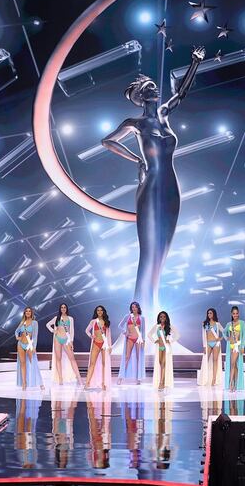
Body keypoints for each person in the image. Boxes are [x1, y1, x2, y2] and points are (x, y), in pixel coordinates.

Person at [101, 47, 206, 311]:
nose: (155, 89)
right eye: (149, 87)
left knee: (162, 252)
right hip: (150, 186)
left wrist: (195, 62)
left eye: (154, 86)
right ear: (140, 96)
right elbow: (107, 141)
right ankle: (138, 315)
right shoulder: (134, 123)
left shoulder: (164, 115)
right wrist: (136, 160)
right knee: (148, 253)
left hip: (172, 186)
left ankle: (155, 313)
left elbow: (181, 93)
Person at [45, 302, 82, 385]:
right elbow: (47, 325)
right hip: (57, 339)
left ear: (66, 309)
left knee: (72, 358)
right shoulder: (56, 318)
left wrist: (71, 341)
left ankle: (79, 378)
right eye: (61, 307)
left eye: (64, 307)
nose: (63, 309)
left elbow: (71, 330)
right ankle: (60, 379)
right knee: (58, 359)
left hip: (67, 339)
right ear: (60, 309)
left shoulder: (70, 318)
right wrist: (53, 330)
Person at [15, 307, 44, 391]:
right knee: (22, 364)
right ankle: (24, 383)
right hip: (20, 344)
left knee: (33, 363)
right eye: (26, 311)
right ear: (24, 313)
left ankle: (41, 383)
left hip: (29, 344)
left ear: (31, 313)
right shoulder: (22, 322)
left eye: (29, 311)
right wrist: (17, 337)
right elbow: (16, 331)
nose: (28, 312)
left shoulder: (34, 323)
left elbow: (35, 336)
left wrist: (34, 347)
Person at [148, 311, 179, 390]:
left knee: (163, 364)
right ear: (159, 318)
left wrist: (170, 341)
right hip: (159, 347)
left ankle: (161, 383)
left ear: (166, 318)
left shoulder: (169, 326)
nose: (162, 318)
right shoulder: (157, 326)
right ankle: (162, 381)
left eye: (164, 317)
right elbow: (149, 334)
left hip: (166, 347)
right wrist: (155, 340)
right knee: (160, 364)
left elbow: (178, 335)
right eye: (161, 317)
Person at [84, 305, 112, 391]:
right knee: (92, 364)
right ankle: (87, 383)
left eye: (101, 310)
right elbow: (87, 330)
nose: (99, 312)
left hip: (104, 344)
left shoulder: (106, 322)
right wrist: (91, 336)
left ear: (103, 312)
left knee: (104, 364)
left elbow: (108, 335)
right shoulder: (93, 321)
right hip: (96, 343)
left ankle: (104, 383)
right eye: (98, 310)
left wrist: (110, 346)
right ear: (96, 312)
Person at [117, 302, 145, 385]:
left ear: (138, 308)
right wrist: (125, 333)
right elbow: (120, 326)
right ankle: (120, 378)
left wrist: (144, 340)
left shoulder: (142, 318)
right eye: (132, 307)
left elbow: (143, 330)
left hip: (138, 339)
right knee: (127, 357)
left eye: (135, 307)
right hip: (130, 339)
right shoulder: (127, 316)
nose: (134, 308)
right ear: (131, 308)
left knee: (138, 358)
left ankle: (138, 378)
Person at [197, 308, 224, 386]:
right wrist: (204, 346)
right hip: (208, 343)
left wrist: (220, 338)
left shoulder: (217, 324)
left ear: (214, 314)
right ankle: (204, 379)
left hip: (216, 344)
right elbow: (203, 335)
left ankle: (214, 380)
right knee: (205, 360)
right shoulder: (205, 323)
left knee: (215, 361)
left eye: (211, 313)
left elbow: (224, 331)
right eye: (208, 313)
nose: (209, 315)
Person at [224, 306, 245, 392]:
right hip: (230, 346)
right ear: (231, 314)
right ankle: (236, 384)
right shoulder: (229, 324)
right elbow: (224, 332)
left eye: (237, 313)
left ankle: (231, 384)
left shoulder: (242, 323)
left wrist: (243, 347)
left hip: (237, 346)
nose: (235, 315)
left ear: (239, 313)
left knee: (232, 364)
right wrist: (227, 338)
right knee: (234, 366)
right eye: (234, 313)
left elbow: (244, 336)